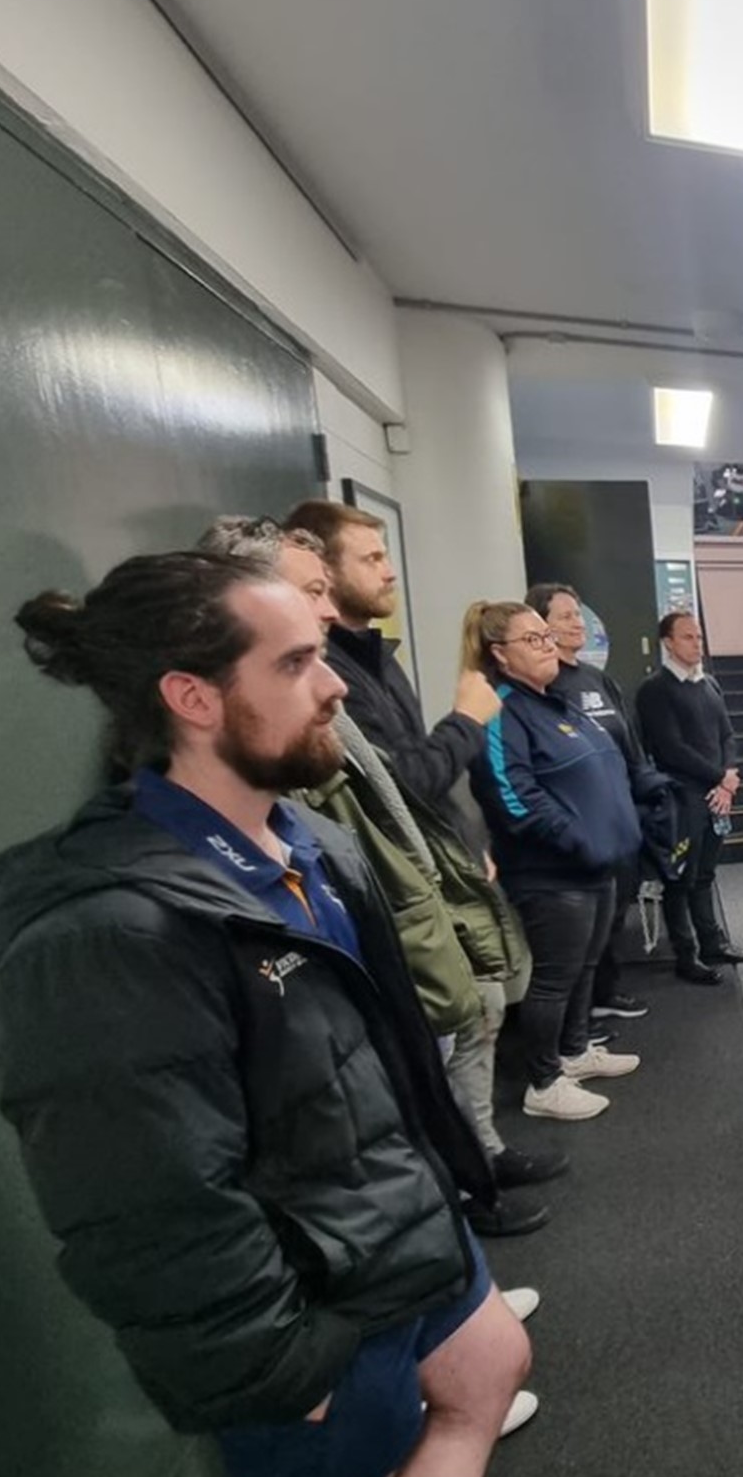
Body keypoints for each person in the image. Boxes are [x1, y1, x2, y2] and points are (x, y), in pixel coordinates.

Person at [0, 551, 529, 1477]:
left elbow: (379, 1056)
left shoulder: (308, 843)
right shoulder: (108, 936)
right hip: (302, 1301)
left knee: (490, 1366)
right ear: (192, 697)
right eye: (298, 662)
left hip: (387, 1225)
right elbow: (143, 1206)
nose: (336, 684)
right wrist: (273, 1364)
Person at [200, 518, 561, 1236]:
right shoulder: (164, 887)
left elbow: (393, 801)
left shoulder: (369, 663)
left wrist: (453, 851)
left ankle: (470, 1174)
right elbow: (409, 780)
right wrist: (464, 719)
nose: (330, 609)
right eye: (315, 589)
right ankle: (455, 1205)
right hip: (389, 910)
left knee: (460, 1032)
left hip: (411, 894)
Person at [465, 601, 658, 1122]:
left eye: (546, 636)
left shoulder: (556, 703)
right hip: (552, 873)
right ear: (499, 655)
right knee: (554, 978)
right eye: (534, 639)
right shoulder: (500, 710)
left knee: (585, 967)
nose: (549, 644)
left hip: (596, 866)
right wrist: (577, 839)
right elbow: (513, 795)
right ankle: (543, 1083)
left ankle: (575, 1053)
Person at [283, 499, 498, 834]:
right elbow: (399, 791)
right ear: (327, 573)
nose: (390, 572)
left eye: (385, 556)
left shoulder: (377, 658)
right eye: (373, 560)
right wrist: (466, 720)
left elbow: (418, 772)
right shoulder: (329, 674)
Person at [528, 582, 649, 1025]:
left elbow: (628, 744)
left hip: (618, 820)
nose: (578, 623)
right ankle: (577, 1025)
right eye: (565, 616)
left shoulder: (598, 679)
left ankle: (605, 993)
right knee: (579, 934)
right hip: (576, 831)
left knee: (615, 913)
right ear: (540, 626)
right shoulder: (542, 687)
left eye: (579, 615)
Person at [635, 609, 743, 984]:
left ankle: (712, 943)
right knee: (681, 878)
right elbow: (671, 748)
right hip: (682, 797)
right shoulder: (655, 690)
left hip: (716, 794)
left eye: (699, 637)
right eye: (688, 637)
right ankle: (686, 955)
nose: (696, 644)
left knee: (705, 874)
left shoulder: (709, 684)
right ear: (668, 643)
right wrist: (720, 776)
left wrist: (728, 777)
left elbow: (727, 735)